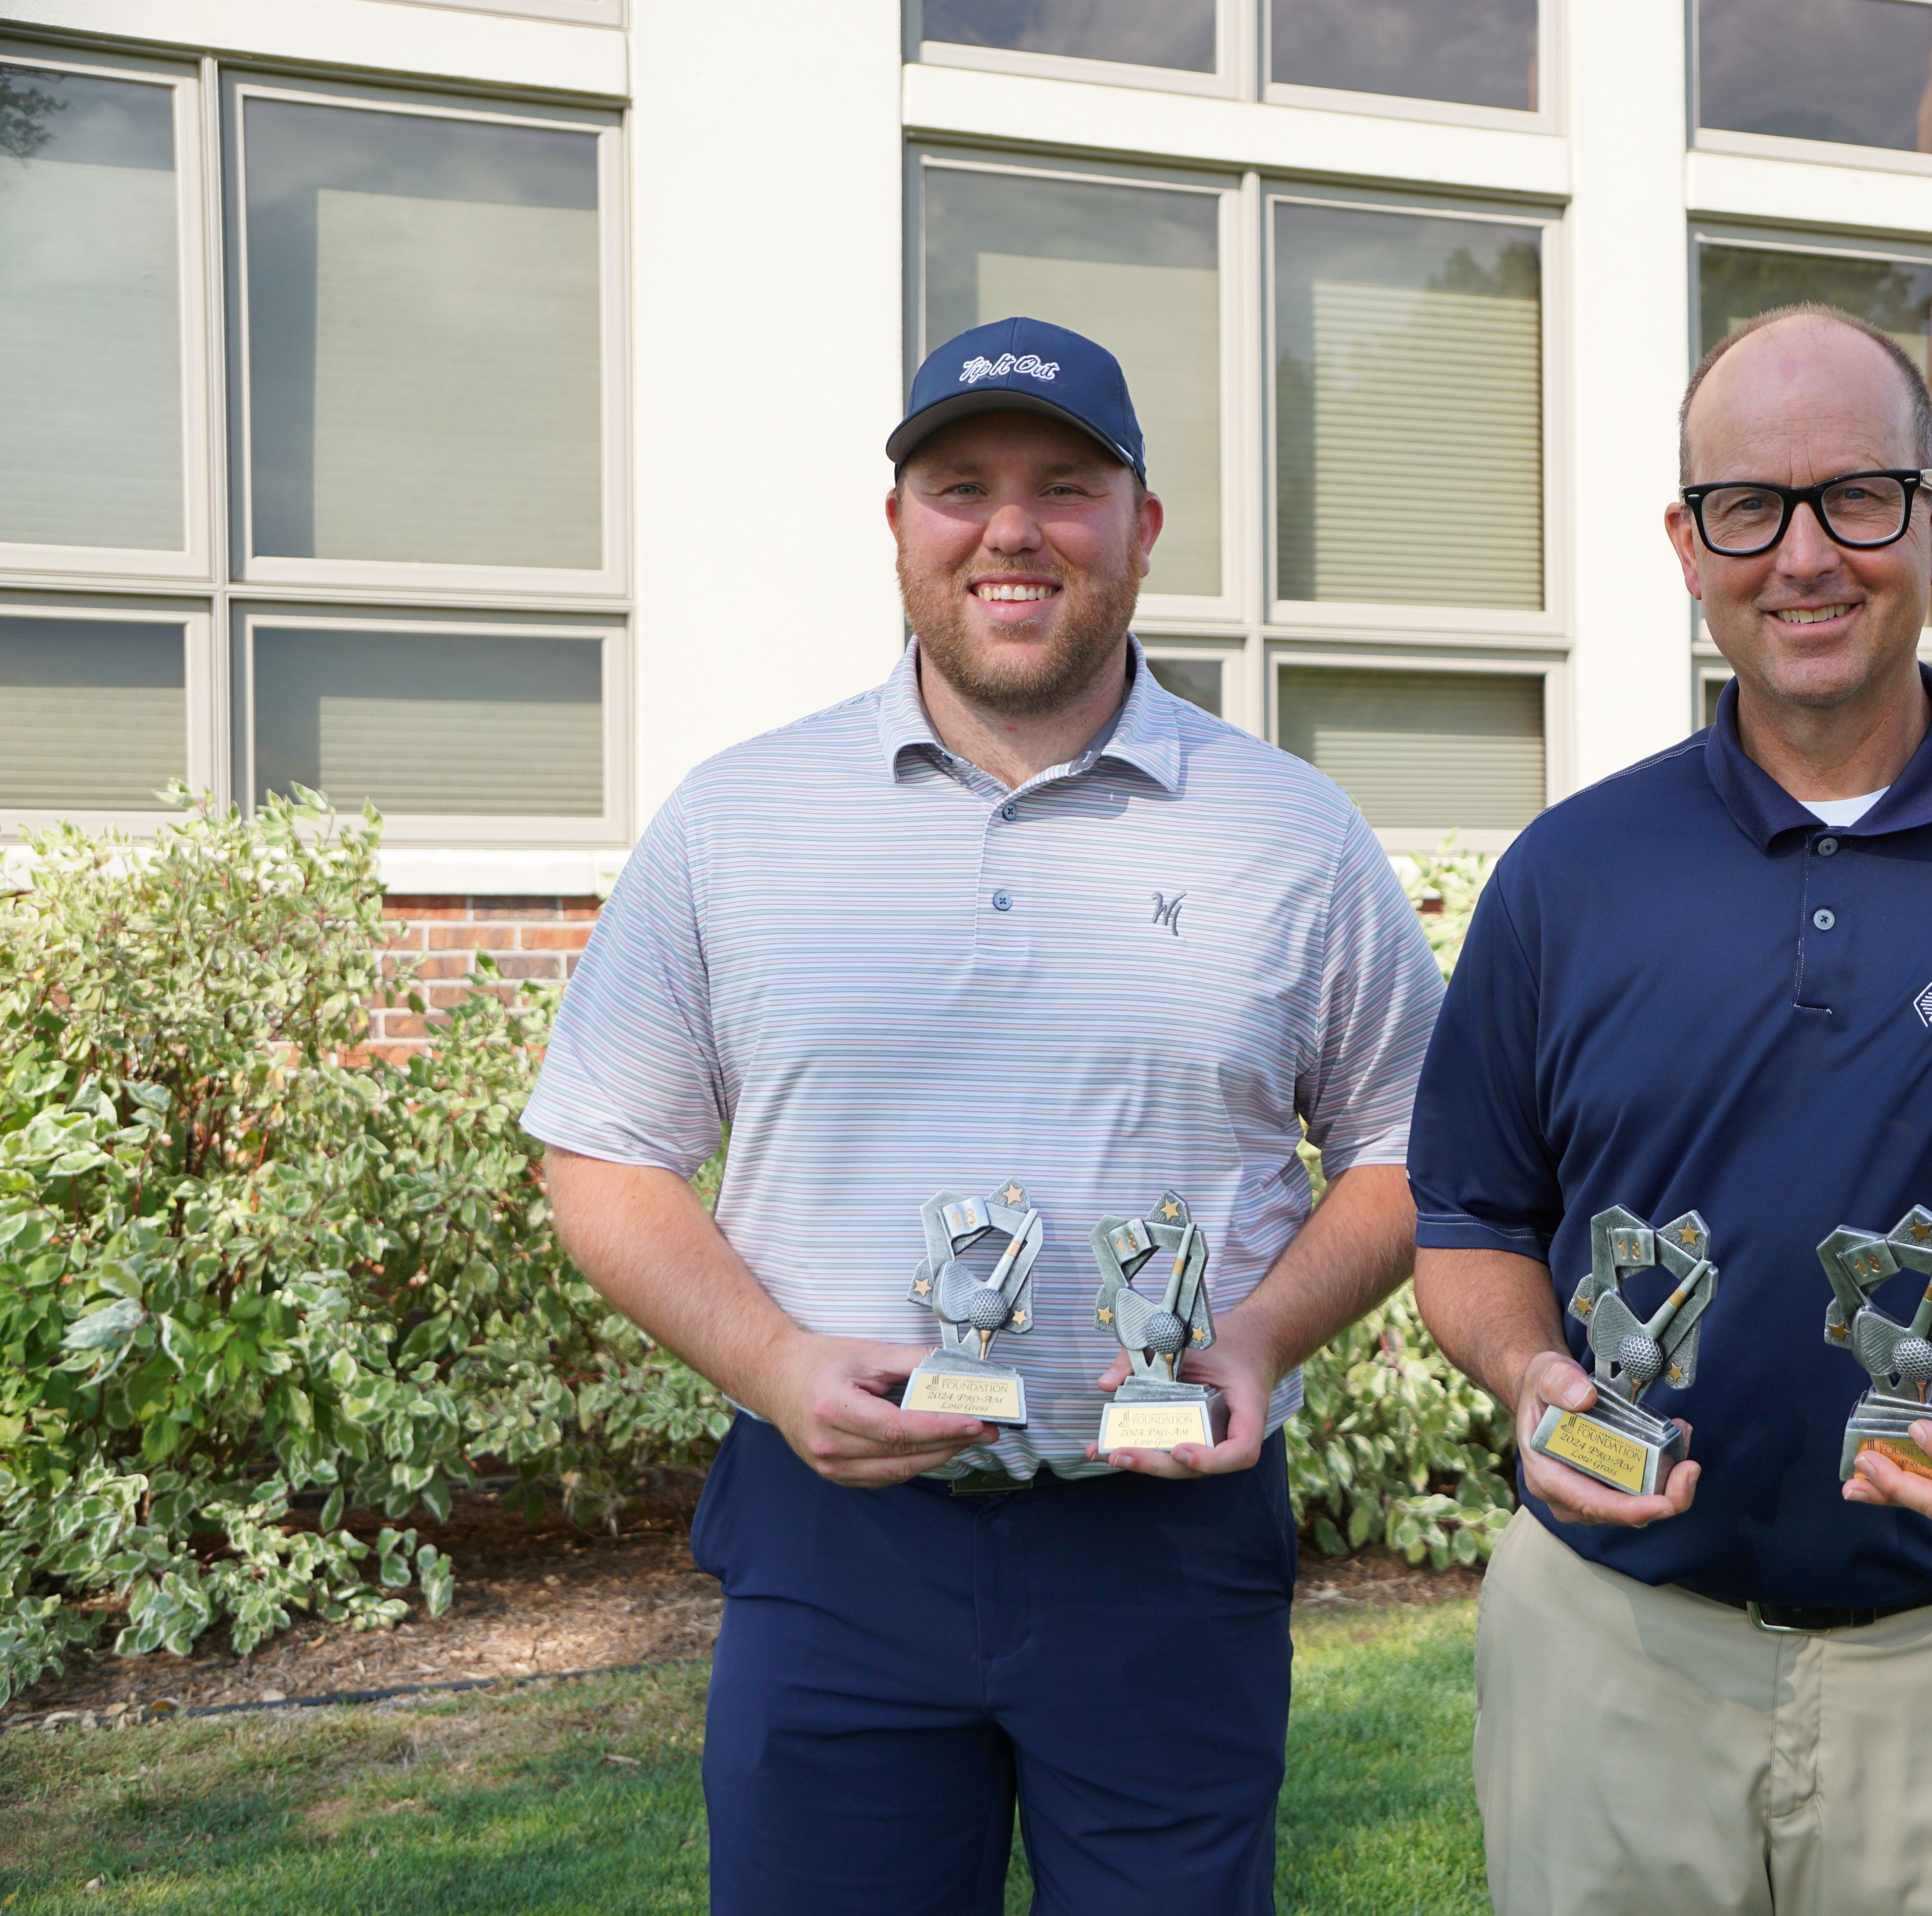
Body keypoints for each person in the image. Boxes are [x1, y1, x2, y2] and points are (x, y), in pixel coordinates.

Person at [526, 316, 1446, 1915]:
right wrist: (771, 1362)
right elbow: (603, 1150)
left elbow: (1407, 1148)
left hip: (1168, 1549)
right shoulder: (738, 819)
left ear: (1142, 532)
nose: (1012, 529)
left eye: (1065, 487)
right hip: (837, 1548)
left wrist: (1258, 1342)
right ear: (900, 529)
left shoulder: (1292, 835)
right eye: (961, 486)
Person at [1409, 306, 1932, 1916]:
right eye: (1750, 507)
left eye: (1857, 499)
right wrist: (1536, 1376)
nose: (1805, 556)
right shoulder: (1568, 879)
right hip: (1612, 1657)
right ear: (1689, 545)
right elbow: (1469, 1223)